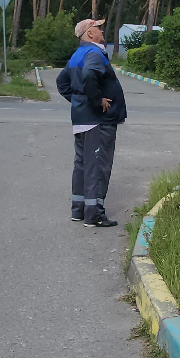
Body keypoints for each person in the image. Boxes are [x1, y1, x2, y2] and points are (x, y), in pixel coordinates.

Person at [56, 18, 127, 227]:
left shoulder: (77, 54)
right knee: (97, 165)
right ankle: (94, 215)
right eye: (98, 28)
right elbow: (89, 75)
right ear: (89, 34)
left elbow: (62, 82)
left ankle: (78, 210)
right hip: (98, 120)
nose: (102, 31)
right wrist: (96, 101)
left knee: (82, 163)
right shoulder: (94, 53)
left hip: (81, 117)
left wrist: (79, 100)